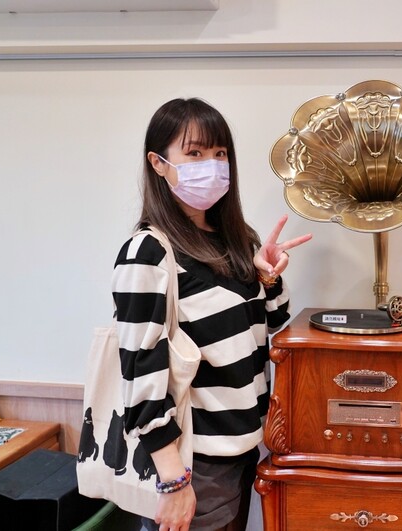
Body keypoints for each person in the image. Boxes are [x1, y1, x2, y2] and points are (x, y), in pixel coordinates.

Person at [112, 98, 312, 531]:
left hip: (243, 448)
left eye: (220, 153)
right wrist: (173, 479)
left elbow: (273, 325)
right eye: (195, 153)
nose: (213, 164)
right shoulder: (147, 251)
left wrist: (268, 278)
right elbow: (140, 368)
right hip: (192, 460)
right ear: (158, 163)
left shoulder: (237, 240)